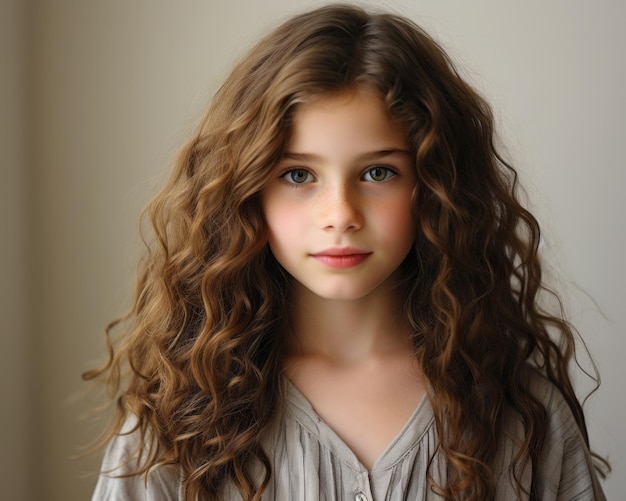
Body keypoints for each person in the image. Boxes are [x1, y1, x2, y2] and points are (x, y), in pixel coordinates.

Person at [85, 4, 608, 500]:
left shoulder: (521, 416)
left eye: (378, 172)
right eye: (297, 175)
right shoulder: (179, 425)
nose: (340, 213)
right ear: (246, 193)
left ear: (436, 187)